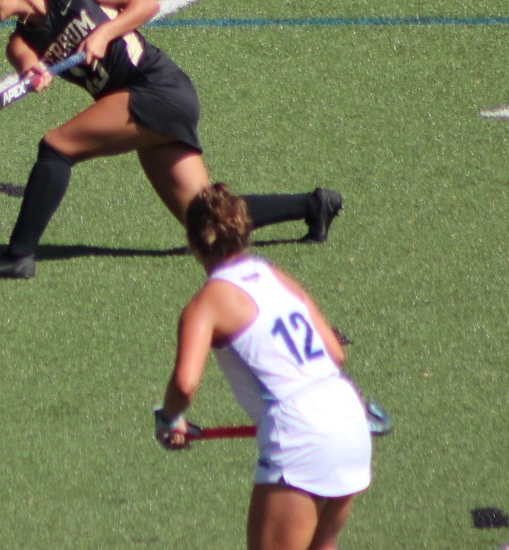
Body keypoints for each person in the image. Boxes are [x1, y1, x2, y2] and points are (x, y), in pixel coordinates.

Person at [0, 0, 340, 279]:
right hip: (134, 104)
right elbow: (28, 65)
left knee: (56, 147)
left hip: (156, 87)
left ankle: (19, 256)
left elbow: (145, 3)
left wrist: (104, 33)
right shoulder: (20, 42)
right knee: (203, 219)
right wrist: (34, 75)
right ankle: (313, 205)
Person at [155, 186, 371, 550]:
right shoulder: (272, 274)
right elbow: (335, 352)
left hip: (299, 431)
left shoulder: (206, 304)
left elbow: (185, 384)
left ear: (193, 241)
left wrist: (169, 418)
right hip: (348, 412)